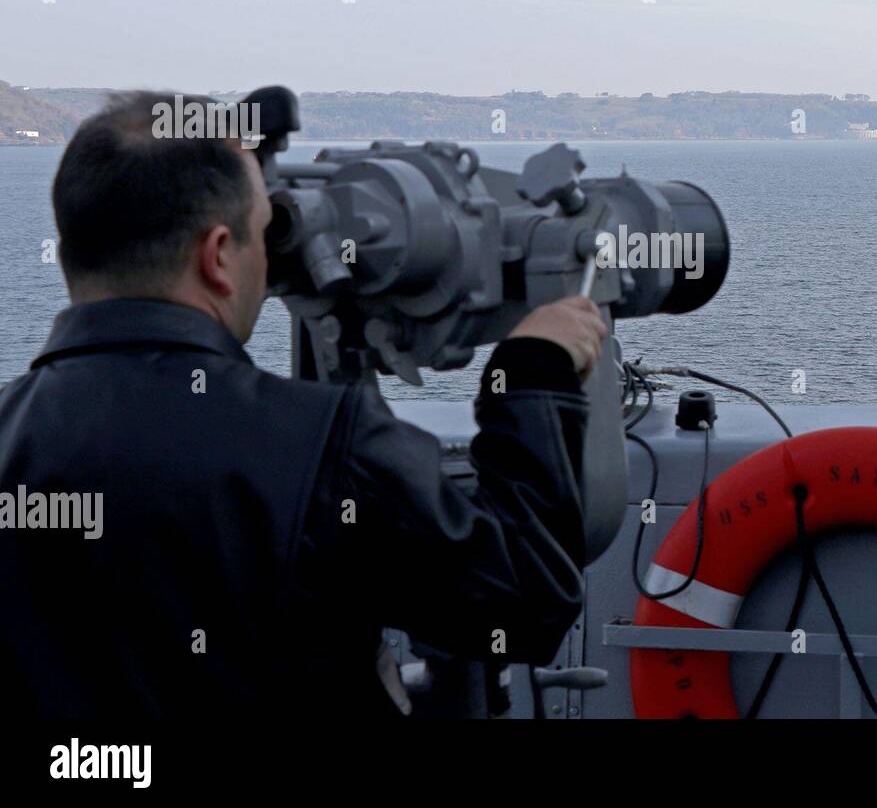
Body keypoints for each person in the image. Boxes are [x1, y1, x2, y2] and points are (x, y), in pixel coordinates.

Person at [0, 91, 608, 717]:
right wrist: (533, 375)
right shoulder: (322, 447)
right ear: (218, 256)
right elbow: (526, 601)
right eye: (264, 231)